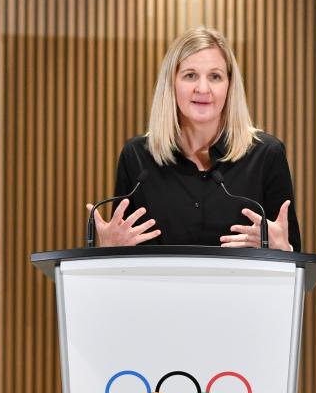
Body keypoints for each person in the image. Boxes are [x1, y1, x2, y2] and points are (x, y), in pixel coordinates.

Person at [86, 26, 301, 251]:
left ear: (229, 85)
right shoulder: (137, 158)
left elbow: (295, 261)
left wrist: (282, 249)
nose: (203, 88)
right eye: (190, 75)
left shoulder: (267, 155)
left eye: (215, 76)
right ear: (171, 83)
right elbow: (122, 260)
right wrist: (109, 250)